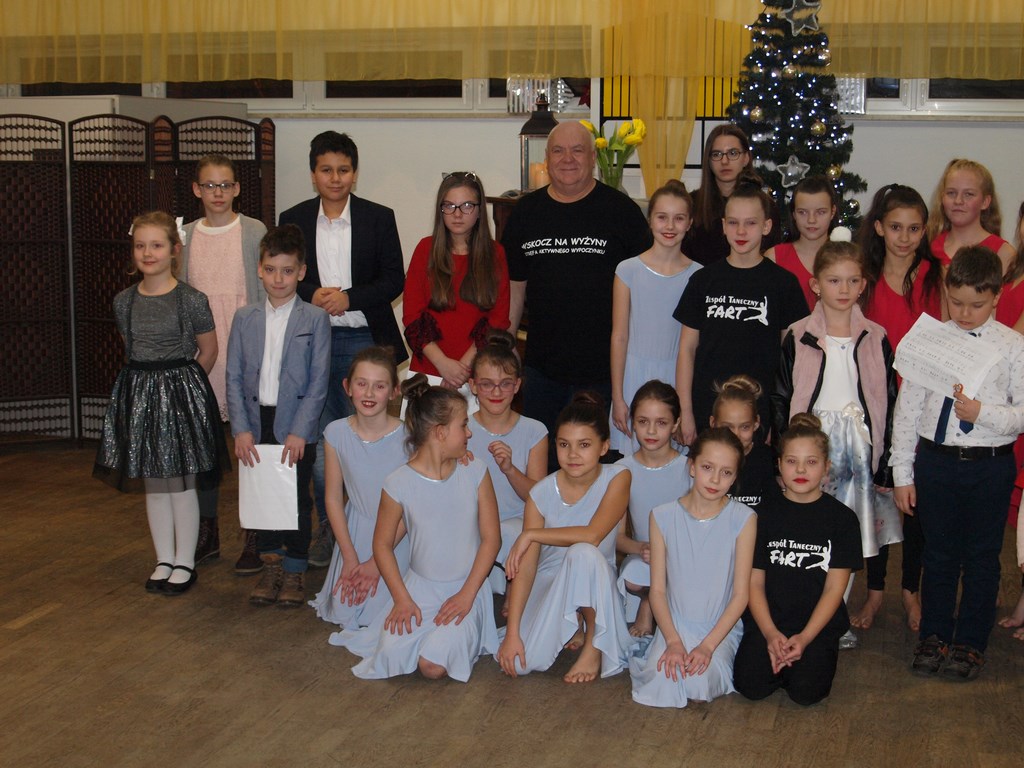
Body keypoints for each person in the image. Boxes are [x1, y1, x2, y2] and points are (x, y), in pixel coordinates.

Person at [891, 246, 1024, 680]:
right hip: (937, 462)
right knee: (939, 554)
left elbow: (1022, 412)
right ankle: (934, 635)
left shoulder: (1012, 346)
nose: (965, 314)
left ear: (997, 297)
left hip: (990, 464)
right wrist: (902, 473)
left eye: (977, 305)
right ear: (946, 293)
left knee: (982, 557)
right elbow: (908, 411)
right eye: (957, 302)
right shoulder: (929, 340)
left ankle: (970, 641)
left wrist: (983, 413)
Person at [279, 130, 407, 568]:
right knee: (323, 444)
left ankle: (379, 529)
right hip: (314, 343)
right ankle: (329, 531)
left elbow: (394, 279)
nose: (335, 178)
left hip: (366, 341)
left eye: (343, 170)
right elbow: (285, 273)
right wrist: (311, 293)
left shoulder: (378, 217)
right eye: (326, 170)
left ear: (355, 173)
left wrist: (349, 298)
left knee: (374, 442)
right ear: (313, 174)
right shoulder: (293, 218)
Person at [93, 211, 228, 596]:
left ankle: (185, 560)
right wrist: (147, 392)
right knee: (154, 482)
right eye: (140, 246)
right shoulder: (124, 301)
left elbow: (208, 350)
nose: (148, 253)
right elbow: (132, 348)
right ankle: (163, 558)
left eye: (156, 245)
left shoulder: (191, 299)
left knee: (180, 481)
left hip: (180, 397)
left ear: (174, 250)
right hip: (141, 396)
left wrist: (184, 390)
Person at [772, 240, 900, 641]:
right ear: (815, 285)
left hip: (858, 448)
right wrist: (783, 450)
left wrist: (886, 462)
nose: (843, 289)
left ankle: (834, 618)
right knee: (811, 529)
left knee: (848, 531)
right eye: (833, 280)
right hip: (812, 444)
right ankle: (806, 612)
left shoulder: (876, 336)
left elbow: (888, 400)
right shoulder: (798, 335)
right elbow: (781, 396)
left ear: (863, 285)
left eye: (851, 280)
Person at [336, 377, 501, 682]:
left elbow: (492, 539)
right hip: (419, 590)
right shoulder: (398, 482)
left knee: (431, 667)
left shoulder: (475, 471)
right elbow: (382, 545)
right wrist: (402, 599)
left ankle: (461, 636)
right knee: (391, 658)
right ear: (440, 432)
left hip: (467, 588)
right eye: (463, 425)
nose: (469, 432)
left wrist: (467, 595)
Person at [502, 121, 651, 455]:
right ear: (546, 159)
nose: (567, 158)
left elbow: (644, 291)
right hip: (542, 368)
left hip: (604, 370)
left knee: (598, 462)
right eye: (558, 150)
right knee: (543, 460)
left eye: (577, 150)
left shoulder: (621, 211)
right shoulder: (526, 213)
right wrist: (508, 347)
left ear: (593, 158)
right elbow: (515, 287)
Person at [225, 225, 331, 607]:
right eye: (271, 270)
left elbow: (318, 382)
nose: (278, 279)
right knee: (263, 499)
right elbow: (233, 377)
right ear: (259, 269)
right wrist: (240, 428)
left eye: (287, 271)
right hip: (256, 425)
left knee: (297, 500)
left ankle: (296, 569)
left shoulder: (315, 319)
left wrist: (301, 431)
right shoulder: (244, 317)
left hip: (296, 427)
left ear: (301, 272)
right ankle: (271, 566)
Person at [496, 392, 634, 683]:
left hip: (595, 575)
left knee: (582, 552)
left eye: (584, 445)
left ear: (604, 446)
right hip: (552, 578)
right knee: (521, 662)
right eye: (563, 444)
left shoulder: (618, 477)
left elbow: (593, 535)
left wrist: (531, 534)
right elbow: (527, 568)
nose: (572, 454)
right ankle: (574, 622)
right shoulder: (541, 493)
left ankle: (594, 643)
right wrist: (512, 633)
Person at [857, 183, 943, 631]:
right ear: (878, 228)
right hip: (873, 403)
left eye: (913, 228)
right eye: (895, 227)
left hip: (922, 407)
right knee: (876, 500)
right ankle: (874, 592)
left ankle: (911, 591)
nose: (904, 237)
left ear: (924, 230)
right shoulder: (864, 277)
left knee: (915, 505)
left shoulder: (936, 276)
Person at [733, 414, 863, 706]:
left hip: (814, 625)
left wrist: (804, 638)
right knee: (750, 686)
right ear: (779, 465)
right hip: (770, 620)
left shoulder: (842, 520)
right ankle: (777, 657)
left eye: (811, 462)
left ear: (826, 467)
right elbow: (754, 582)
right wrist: (770, 634)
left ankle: (802, 659)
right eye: (792, 461)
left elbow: (834, 590)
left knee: (806, 693)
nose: (801, 470)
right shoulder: (761, 516)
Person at [180, 154, 268, 573]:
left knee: (250, 445)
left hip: (245, 350)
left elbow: (265, 292)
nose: (218, 192)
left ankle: (254, 533)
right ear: (197, 189)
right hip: (203, 353)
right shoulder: (185, 236)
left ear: (237, 189)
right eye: (210, 185)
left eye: (226, 184)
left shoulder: (254, 231)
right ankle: (207, 530)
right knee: (206, 449)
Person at [629, 428, 756, 708]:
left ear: (735, 477)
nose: (715, 479)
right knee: (664, 682)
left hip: (718, 628)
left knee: (699, 684)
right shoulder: (662, 516)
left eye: (726, 472)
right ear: (692, 466)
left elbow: (740, 595)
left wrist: (708, 646)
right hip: (674, 624)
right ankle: (659, 645)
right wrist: (673, 641)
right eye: (707, 467)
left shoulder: (744, 519)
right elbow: (658, 591)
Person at [674, 180, 808, 446]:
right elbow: (686, 351)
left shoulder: (784, 284)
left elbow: (792, 360)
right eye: (734, 223)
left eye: (751, 223)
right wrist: (685, 412)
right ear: (724, 226)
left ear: (766, 226)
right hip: (707, 410)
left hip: (760, 415)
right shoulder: (703, 280)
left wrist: (779, 417)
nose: (741, 231)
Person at [309, 346, 409, 633]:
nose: (369, 393)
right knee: (345, 607)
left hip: (398, 534)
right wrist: (349, 556)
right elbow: (332, 497)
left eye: (380, 386)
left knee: (381, 615)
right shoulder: (336, 432)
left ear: (394, 391)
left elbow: (413, 507)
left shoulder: (410, 437)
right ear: (347, 387)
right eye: (361, 384)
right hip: (354, 533)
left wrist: (378, 562)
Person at [610, 180, 702, 456]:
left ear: (689, 223)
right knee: (632, 463)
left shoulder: (699, 276)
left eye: (679, 218)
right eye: (662, 217)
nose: (670, 226)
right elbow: (619, 336)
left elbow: (692, 346)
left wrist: (686, 407)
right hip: (633, 377)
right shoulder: (628, 270)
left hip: (678, 377)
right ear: (650, 220)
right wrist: (618, 396)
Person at [403, 171, 510, 390]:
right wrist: (443, 364)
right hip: (428, 370)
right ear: (440, 210)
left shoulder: (495, 253)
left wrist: (462, 368)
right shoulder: (425, 249)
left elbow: (498, 320)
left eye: (467, 206)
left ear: (479, 210)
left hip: (476, 373)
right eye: (449, 206)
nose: (457, 214)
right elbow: (412, 316)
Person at [465, 330, 548, 595]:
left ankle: (515, 593)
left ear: (517, 385)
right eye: (487, 384)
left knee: (511, 532)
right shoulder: (462, 430)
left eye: (505, 383)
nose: (496, 391)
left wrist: (510, 470)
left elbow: (538, 498)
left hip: (516, 522)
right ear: (473, 385)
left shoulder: (535, 431)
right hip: (473, 523)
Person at [615, 381, 691, 637]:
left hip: (682, 557)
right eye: (643, 421)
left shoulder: (689, 468)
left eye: (661, 423)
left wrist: (670, 551)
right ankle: (650, 597)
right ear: (633, 422)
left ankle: (650, 605)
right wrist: (641, 548)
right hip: (644, 557)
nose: (651, 430)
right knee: (632, 576)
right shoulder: (622, 470)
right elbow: (617, 537)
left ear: (675, 424)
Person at [927, 158, 1015, 271]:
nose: (958, 201)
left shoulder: (1003, 254)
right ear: (942, 197)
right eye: (951, 193)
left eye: (968, 194)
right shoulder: (929, 249)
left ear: (985, 202)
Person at [683, 124, 753, 267]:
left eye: (733, 153)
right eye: (716, 154)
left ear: (746, 158)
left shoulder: (763, 206)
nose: (724, 161)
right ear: (708, 161)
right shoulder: (690, 204)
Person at [766, 176, 837, 310]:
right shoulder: (775, 257)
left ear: (832, 212)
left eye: (820, 212)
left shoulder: (847, 256)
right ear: (794, 214)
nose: (811, 220)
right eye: (803, 212)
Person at [709, 375, 774, 509]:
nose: (736, 435)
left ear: (756, 423)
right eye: (728, 428)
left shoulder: (769, 460)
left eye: (744, 427)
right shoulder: (704, 460)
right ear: (713, 423)